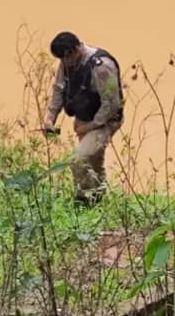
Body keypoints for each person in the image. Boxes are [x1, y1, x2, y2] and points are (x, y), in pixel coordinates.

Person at [41, 31, 124, 206]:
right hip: (85, 117)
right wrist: (50, 117)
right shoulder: (67, 62)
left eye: (67, 58)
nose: (64, 63)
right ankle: (99, 199)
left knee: (79, 159)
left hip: (105, 120)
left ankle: (84, 200)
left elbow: (111, 104)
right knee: (93, 160)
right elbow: (59, 89)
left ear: (76, 49)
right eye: (61, 60)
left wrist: (91, 126)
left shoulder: (101, 67)